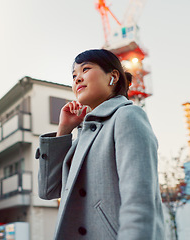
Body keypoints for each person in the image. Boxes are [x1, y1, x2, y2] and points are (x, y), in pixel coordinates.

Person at [36, 49, 164, 239]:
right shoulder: (83, 135)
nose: (77, 78)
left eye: (85, 69)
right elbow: (48, 191)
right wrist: (63, 131)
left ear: (113, 76)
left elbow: (139, 199)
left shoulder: (127, 116)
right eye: (74, 75)